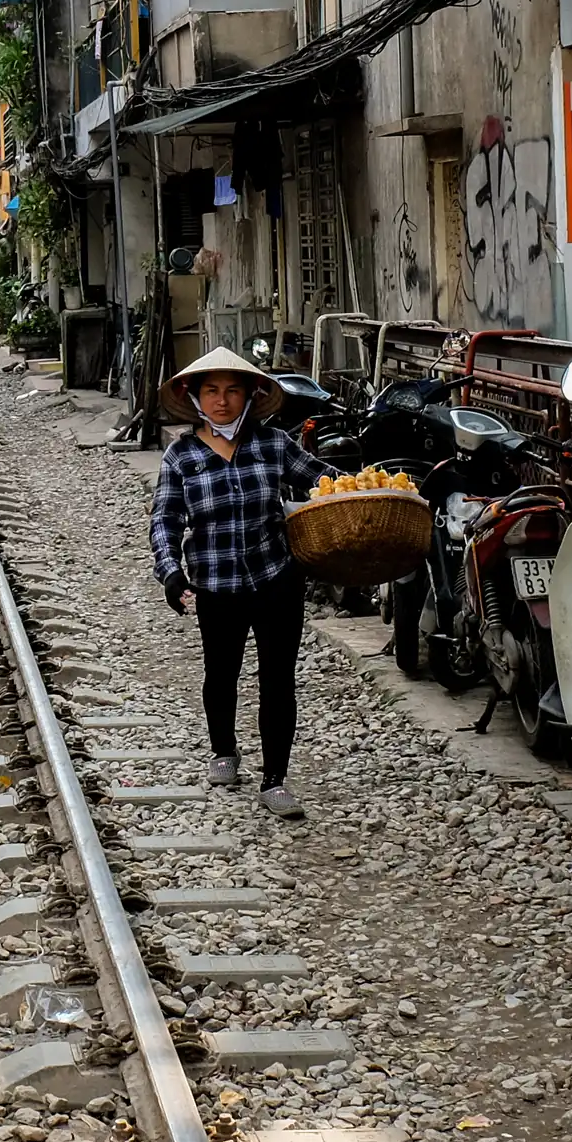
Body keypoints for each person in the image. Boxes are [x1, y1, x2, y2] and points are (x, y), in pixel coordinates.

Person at [149, 347, 328, 818]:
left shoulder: (273, 445)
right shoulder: (181, 456)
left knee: (277, 680)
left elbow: (324, 484)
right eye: (212, 391)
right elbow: (165, 520)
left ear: (250, 396)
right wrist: (170, 572)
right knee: (221, 673)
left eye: (232, 391)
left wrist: (377, 488)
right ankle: (224, 751)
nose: (222, 401)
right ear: (196, 398)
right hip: (216, 583)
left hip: (276, 579)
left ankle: (275, 779)